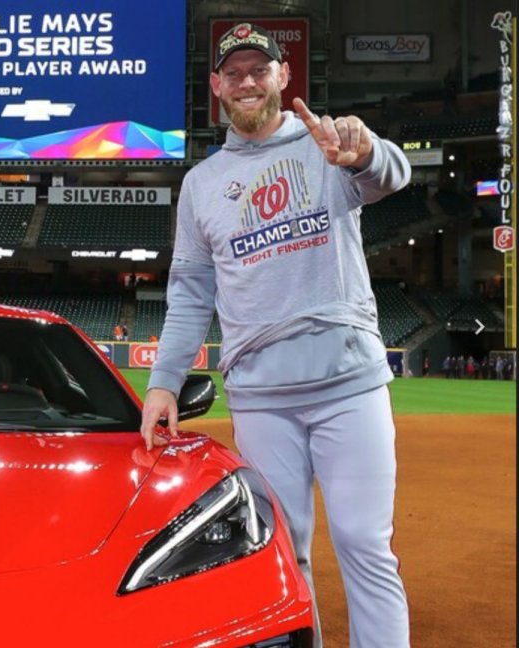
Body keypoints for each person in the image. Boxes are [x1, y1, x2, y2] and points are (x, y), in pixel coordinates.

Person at [139, 23, 411, 648]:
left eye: (259, 70)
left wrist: (363, 150)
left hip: (349, 384)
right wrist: (163, 382)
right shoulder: (201, 184)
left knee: (366, 545)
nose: (247, 82)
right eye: (233, 73)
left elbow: (392, 175)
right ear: (216, 86)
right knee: (283, 554)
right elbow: (189, 294)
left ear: (283, 77)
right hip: (262, 399)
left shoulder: (324, 143)